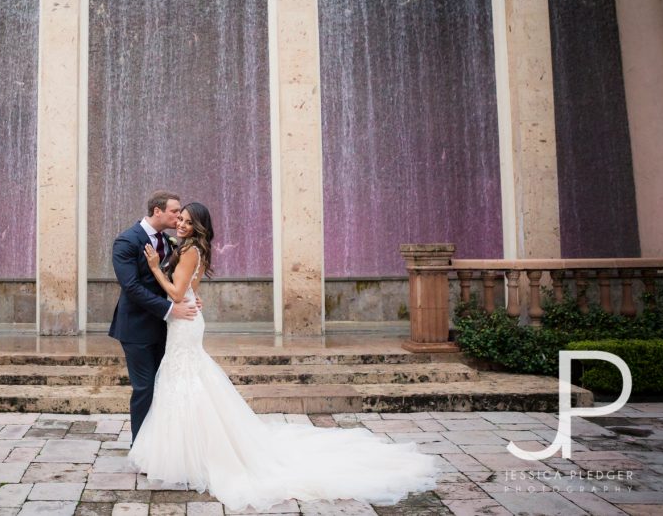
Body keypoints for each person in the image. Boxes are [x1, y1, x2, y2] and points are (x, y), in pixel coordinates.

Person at [129, 202, 439, 511]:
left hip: (183, 320)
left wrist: (156, 266)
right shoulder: (193, 248)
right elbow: (190, 289)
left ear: (198, 225)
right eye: (179, 219)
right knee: (186, 380)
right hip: (186, 320)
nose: (180, 224)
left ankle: (195, 455)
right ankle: (188, 451)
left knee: (186, 380)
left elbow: (178, 293)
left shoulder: (189, 250)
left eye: (186, 221)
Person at [109, 190, 201, 441]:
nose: (179, 216)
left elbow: (175, 280)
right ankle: (140, 447)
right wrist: (172, 308)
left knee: (164, 387)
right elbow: (132, 287)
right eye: (175, 211)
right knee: (144, 388)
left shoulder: (171, 241)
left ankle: (162, 444)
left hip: (167, 328)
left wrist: (190, 297)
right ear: (157, 211)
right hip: (137, 328)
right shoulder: (127, 241)